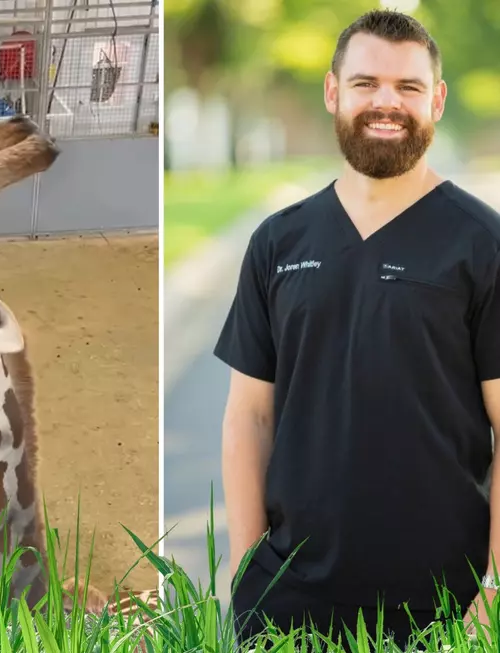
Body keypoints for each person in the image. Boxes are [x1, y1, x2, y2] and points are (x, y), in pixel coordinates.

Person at [215, 9, 500, 648]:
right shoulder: (277, 242)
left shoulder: (482, 244)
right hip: (290, 606)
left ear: (439, 100)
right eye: (367, 82)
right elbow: (249, 418)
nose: (386, 103)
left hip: (442, 609)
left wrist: (494, 591)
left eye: (409, 87)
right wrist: (245, 570)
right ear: (332, 91)